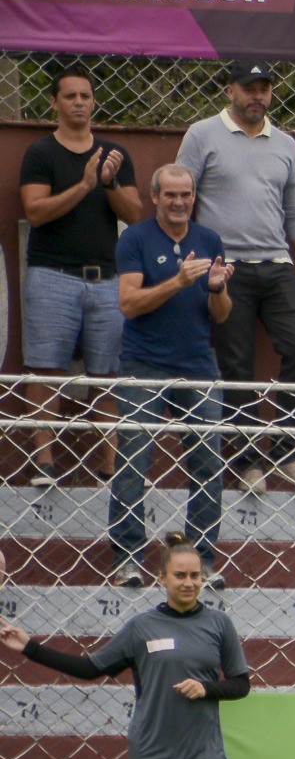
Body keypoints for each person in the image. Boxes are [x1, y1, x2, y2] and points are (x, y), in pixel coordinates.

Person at [0, 533, 250, 759]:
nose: (189, 583)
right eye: (180, 575)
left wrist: (207, 688)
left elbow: (241, 684)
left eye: (195, 575)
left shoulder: (219, 624)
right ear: (161, 578)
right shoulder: (141, 628)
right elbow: (89, 669)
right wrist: (30, 647)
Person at [176, 59, 295, 495]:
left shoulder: (286, 144)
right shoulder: (202, 135)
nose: (257, 96)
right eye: (248, 88)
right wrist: (190, 260)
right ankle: (246, 461)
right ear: (230, 91)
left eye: (264, 88)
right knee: (236, 363)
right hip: (226, 267)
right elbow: (180, 197)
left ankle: (286, 448)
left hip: (277, 265)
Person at [108, 165, 234, 589]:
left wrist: (216, 289)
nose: (179, 203)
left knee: (208, 464)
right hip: (144, 364)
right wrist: (178, 282)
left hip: (198, 364)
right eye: (171, 195)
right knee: (133, 460)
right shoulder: (135, 238)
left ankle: (201, 558)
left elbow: (221, 315)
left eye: (186, 195)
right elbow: (129, 303)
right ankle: (127, 556)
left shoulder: (209, 240)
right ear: (155, 196)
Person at [17, 65, 141, 487]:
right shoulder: (40, 153)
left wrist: (107, 184)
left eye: (85, 96)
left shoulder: (113, 153)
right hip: (52, 275)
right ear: (54, 102)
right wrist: (84, 185)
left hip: (107, 278)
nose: (79, 103)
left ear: (94, 102)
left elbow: (136, 214)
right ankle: (44, 462)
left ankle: (111, 466)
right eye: (70, 96)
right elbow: (35, 211)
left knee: (106, 374)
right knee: (45, 371)